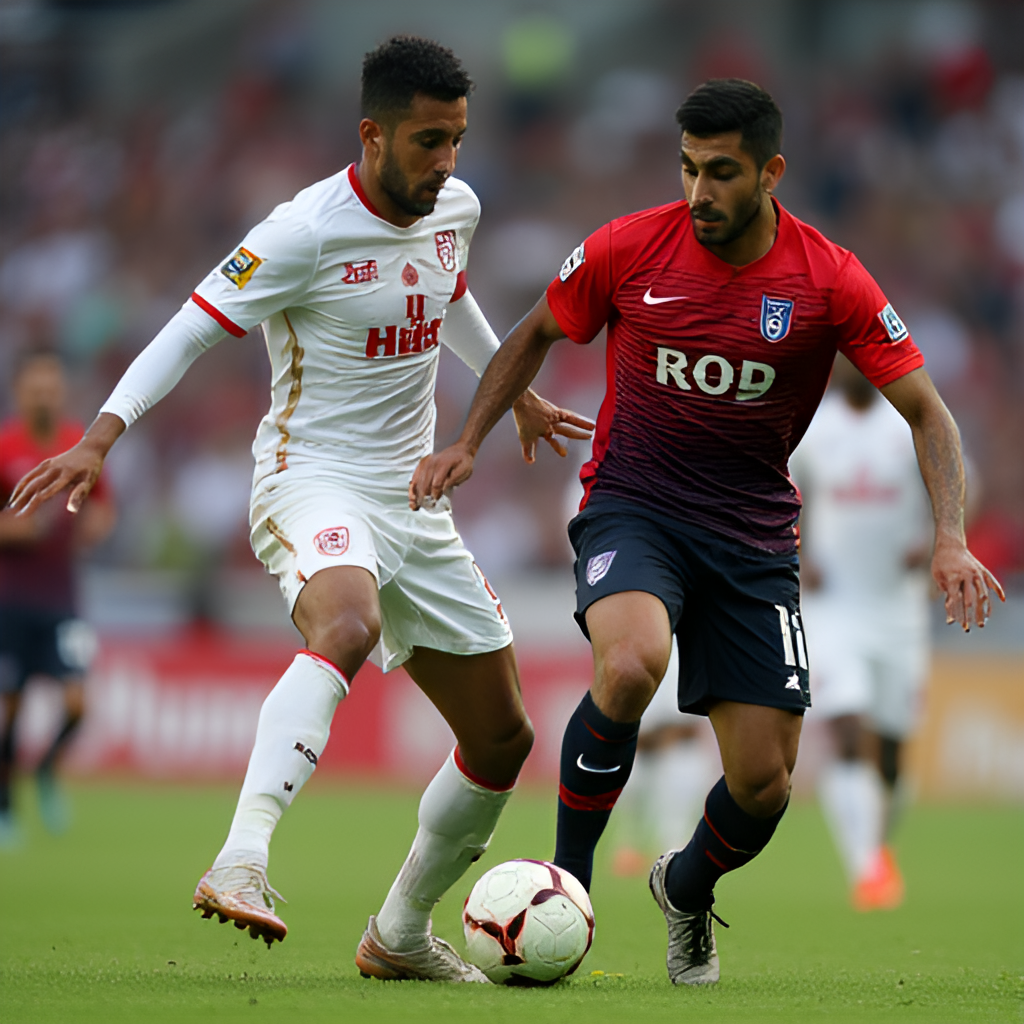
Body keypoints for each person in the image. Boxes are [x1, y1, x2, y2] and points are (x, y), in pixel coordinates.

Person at [8, 36, 592, 981]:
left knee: (502, 737)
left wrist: (511, 388)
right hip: (311, 479)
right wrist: (100, 438)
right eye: (429, 142)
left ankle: (399, 934)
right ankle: (240, 858)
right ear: (373, 135)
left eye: (458, 140)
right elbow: (188, 330)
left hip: (414, 499)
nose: (447, 162)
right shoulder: (302, 232)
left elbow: (448, 294)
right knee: (348, 623)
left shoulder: (456, 208)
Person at [410, 78, 1003, 986]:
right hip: (634, 507)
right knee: (631, 663)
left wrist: (951, 536)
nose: (699, 191)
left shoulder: (828, 278)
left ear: (771, 173)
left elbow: (927, 410)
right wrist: (468, 440)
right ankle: (567, 884)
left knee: (764, 784)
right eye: (688, 168)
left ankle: (683, 888)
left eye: (721, 172)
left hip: (753, 542)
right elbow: (533, 333)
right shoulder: (628, 246)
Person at [791, 355, 933, 911]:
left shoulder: (908, 423)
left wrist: (939, 534)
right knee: (849, 729)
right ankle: (867, 867)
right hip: (833, 607)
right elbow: (780, 489)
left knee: (891, 754)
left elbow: (962, 480)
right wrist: (797, 551)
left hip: (899, 610)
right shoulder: (813, 428)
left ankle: (876, 847)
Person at [0, 350, 116, 846]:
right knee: (10, 707)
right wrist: (19, 530)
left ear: (62, 391)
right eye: (36, 388)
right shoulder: (5, 447)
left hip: (64, 601)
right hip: (10, 601)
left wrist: (95, 526)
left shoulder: (78, 444)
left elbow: (104, 504)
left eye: (51, 387)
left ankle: (46, 769)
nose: (44, 396)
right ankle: (6, 807)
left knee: (77, 703)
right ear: (20, 392)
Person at [610, 639, 717, 877]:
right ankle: (631, 851)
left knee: (674, 834)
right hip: (642, 751)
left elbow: (681, 727)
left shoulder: (681, 655)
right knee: (629, 800)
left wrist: (636, 739)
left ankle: (676, 868)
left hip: (678, 753)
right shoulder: (633, 653)